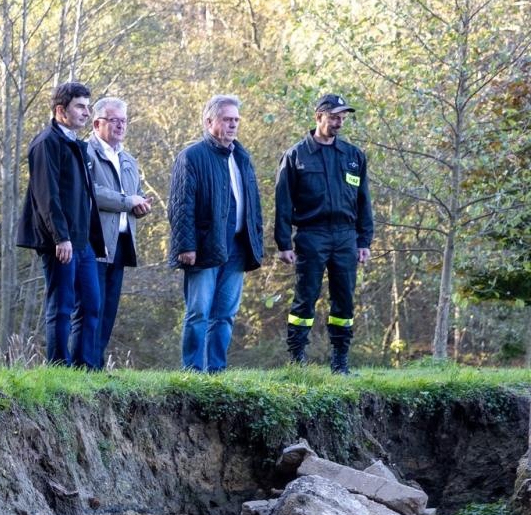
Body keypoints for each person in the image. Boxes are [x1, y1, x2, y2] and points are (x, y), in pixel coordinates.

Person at [274, 94, 374, 374]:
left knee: (344, 298)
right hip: (311, 235)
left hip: (345, 237)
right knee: (306, 297)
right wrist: (283, 243)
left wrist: (363, 240)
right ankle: (297, 361)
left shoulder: (354, 156)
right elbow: (282, 202)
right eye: (334, 117)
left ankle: (340, 362)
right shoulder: (296, 156)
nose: (339, 122)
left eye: (343, 117)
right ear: (319, 116)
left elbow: (364, 201)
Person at [167, 94, 264, 372]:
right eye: (227, 119)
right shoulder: (192, 156)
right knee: (199, 312)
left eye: (236, 120)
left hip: (237, 247)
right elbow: (180, 205)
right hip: (203, 246)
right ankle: (193, 372)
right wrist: (186, 246)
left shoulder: (242, 157)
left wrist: (255, 241)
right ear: (210, 122)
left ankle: (216, 372)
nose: (233, 125)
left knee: (226, 314)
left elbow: (253, 204)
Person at [18, 81, 106, 367]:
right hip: (60, 242)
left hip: (83, 243)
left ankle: (84, 368)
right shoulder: (46, 143)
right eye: (80, 106)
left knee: (92, 305)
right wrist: (60, 237)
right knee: (61, 305)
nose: (86, 112)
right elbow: (47, 196)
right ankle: (59, 368)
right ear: (60, 110)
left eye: (88, 106)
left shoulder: (76, 145)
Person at [84, 97, 151, 367]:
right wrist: (127, 202)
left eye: (124, 120)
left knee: (109, 309)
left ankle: (96, 366)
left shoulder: (128, 159)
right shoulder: (85, 153)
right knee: (91, 307)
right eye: (115, 120)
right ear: (97, 122)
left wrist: (141, 204)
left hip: (123, 242)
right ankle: (84, 367)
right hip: (96, 241)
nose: (121, 125)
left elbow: (134, 194)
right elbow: (92, 193)